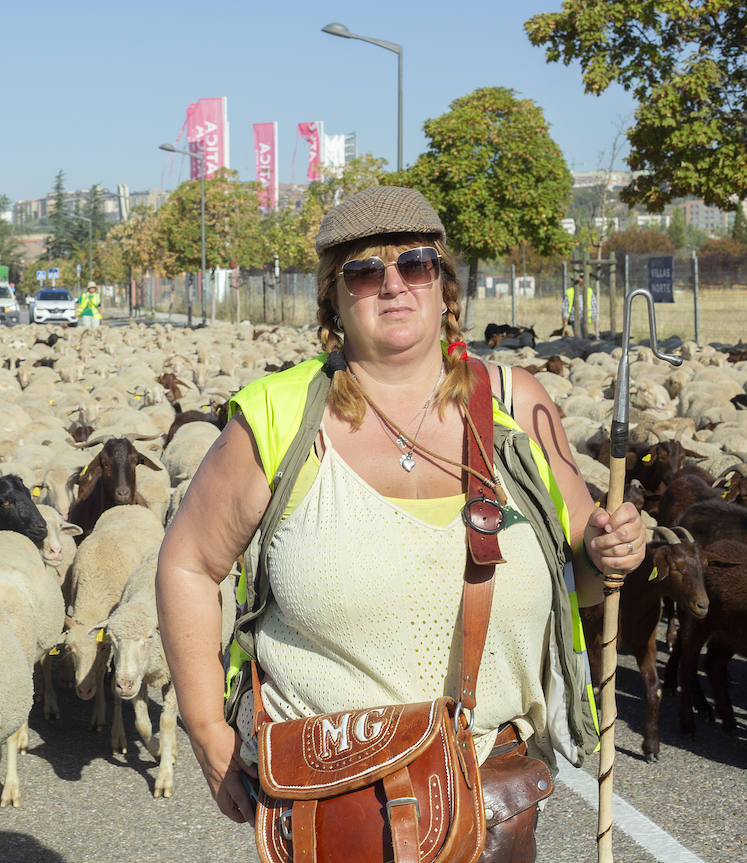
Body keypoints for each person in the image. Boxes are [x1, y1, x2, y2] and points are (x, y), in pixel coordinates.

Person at [156, 186, 645, 839]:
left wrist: (609, 551)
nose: (393, 285)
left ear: (445, 286)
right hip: (333, 804)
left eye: (414, 265)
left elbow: (577, 573)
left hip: (489, 797)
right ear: (333, 297)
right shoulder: (278, 418)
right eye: (364, 272)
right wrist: (206, 725)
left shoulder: (516, 404)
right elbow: (186, 563)